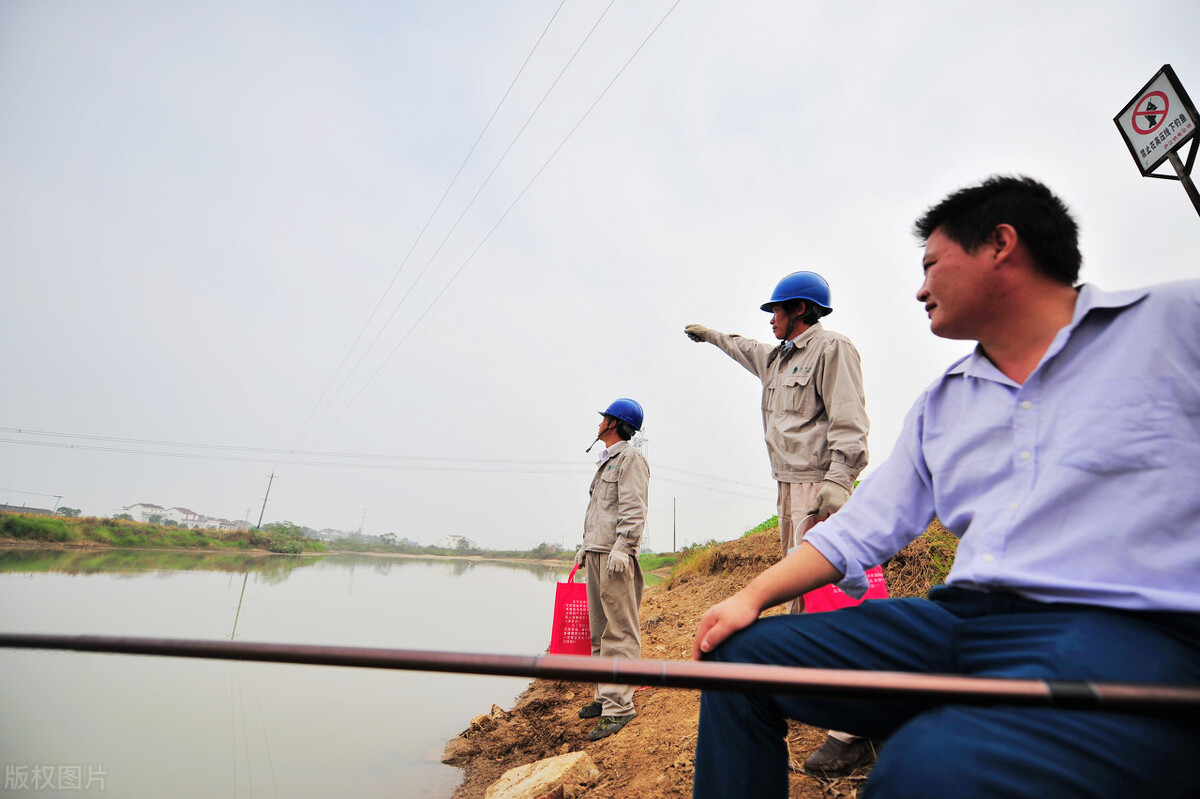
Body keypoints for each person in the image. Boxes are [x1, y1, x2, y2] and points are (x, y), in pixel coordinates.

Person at [690, 175, 1200, 799]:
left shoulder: (1172, 325)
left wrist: (831, 481)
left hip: (1116, 631)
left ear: (1001, 245)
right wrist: (750, 597)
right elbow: (861, 527)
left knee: (925, 767)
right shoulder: (944, 404)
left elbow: (847, 431)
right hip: (959, 624)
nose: (920, 287)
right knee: (738, 660)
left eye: (931, 264)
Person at [684, 271, 871, 773]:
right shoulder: (776, 357)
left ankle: (853, 727)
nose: (770, 318)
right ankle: (821, 700)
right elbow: (742, 346)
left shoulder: (833, 349)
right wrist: (710, 336)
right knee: (802, 597)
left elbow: (850, 421)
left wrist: (838, 483)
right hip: (790, 487)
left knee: (833, 596)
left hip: (820, 486)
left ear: (802, 310)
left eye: (777, 310)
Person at [575, 397, 650, 741]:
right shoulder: (606, 461)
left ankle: (620, 707)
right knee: (599, 631)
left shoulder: (631, 459)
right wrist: (585, 546)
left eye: (605, 417)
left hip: (615, 557)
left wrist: (625, 546)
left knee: (619, 632)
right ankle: (604, 697)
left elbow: (634, 507)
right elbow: (600, 511)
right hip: (596, 552)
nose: (599, 421)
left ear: (614, 423)